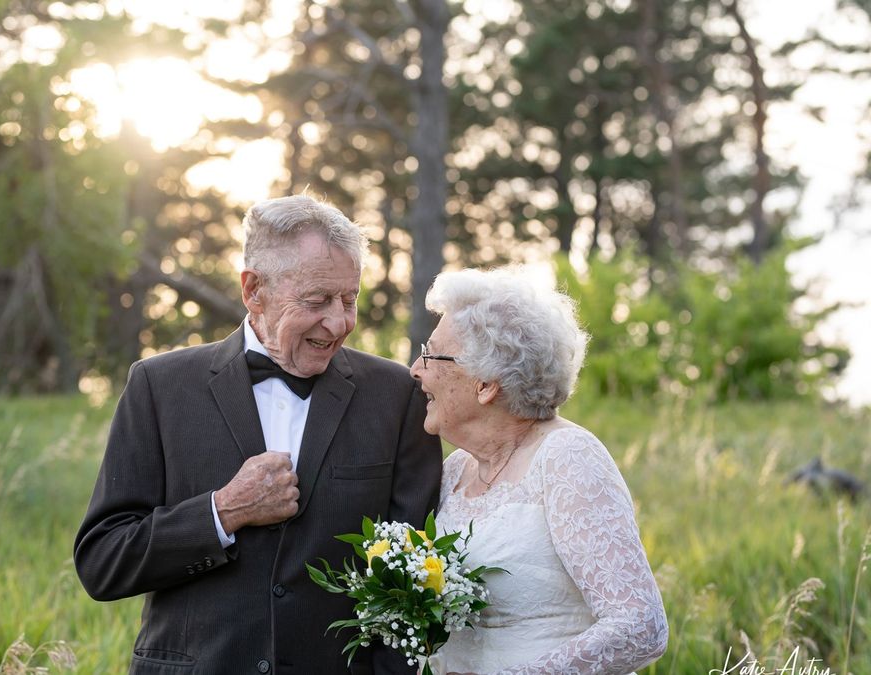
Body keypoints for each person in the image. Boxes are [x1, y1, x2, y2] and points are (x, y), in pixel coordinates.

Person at [75, 193, 442, 675]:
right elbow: (103, 562)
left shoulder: (397, 396)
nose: (338, 322)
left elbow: (414, 586)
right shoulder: (158, 387)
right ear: (253, 290)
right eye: (317, 300)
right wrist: (224, 512)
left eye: (349, 299)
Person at [409, 267, 668, 675]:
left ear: (485, 384)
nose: (415, 369)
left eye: (431, 355)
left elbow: (641, 626)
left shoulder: (567, 457)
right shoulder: (456, 469)